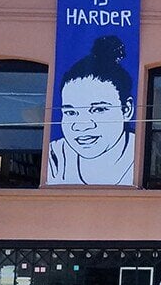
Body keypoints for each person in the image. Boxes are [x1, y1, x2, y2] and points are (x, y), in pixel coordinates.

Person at [48, 35, 136, 186]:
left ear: (126, 110)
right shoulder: (55, 157)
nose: (81, 125)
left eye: (98, 109)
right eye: (70, 112)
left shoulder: (144, 153)